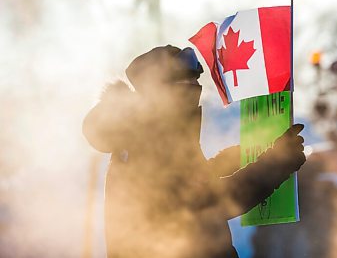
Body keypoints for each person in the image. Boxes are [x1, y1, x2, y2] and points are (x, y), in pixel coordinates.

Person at [82, 45, 306, 258]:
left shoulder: (151, 132)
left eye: (195, 80)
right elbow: (211, 203)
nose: (194, 86)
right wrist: (276, 163)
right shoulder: (150, 141)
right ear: (159, 89)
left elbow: (183, 187)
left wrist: (229, 160)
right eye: (184, 80)